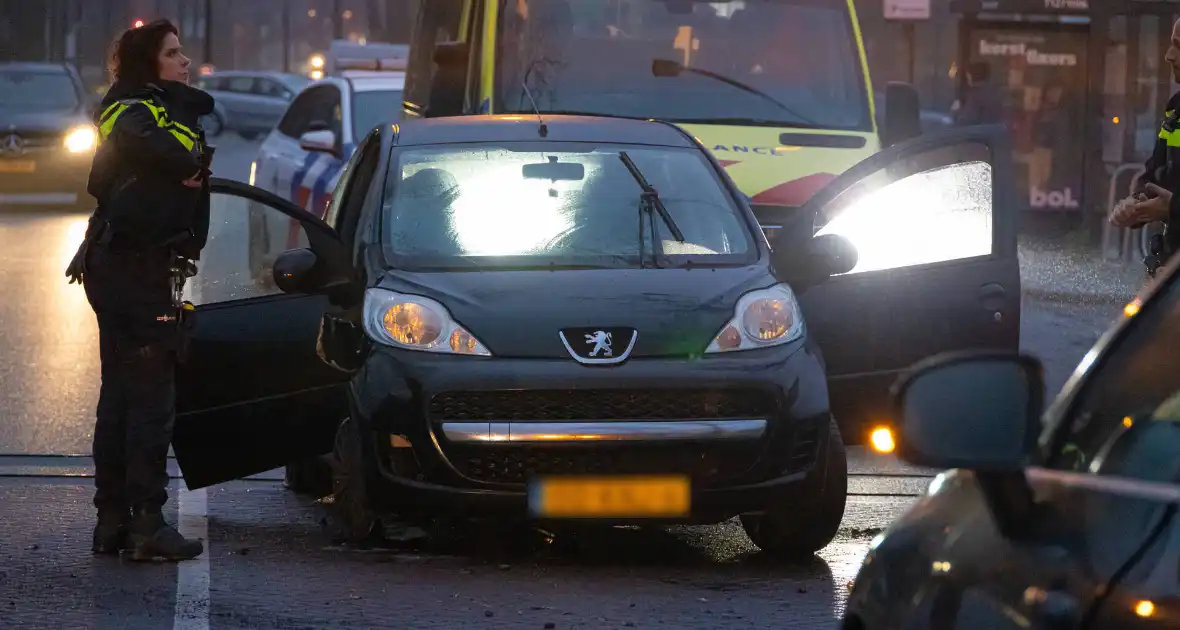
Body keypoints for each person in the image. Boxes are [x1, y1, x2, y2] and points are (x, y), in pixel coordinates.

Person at [64, 18, 213, 561]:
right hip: (132, 271)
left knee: (123, 397)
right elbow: (141, 137)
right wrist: (188, 159)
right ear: (150, 63)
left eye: (182, 53)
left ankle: (113, 522)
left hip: (123, 267)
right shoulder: (135, 107)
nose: (185, 62)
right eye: (174, 54)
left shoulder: (153, 107)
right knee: (150, 401)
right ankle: (146, 524)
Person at [1110, 17, 1180, 276]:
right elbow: (1155, 172)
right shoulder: (1176, 107)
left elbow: (1171, 202)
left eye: (1178, 46)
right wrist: (1136, 203)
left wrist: (1172, 207)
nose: (1168, 55)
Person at [952, 61, 1004, 126]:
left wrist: (956, 110)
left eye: (968, 75)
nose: (967, 78)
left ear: (973, 76)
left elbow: (965, 120)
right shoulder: (994, 91)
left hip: (979, 133)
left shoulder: (975, 95)